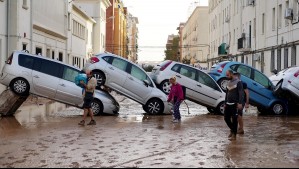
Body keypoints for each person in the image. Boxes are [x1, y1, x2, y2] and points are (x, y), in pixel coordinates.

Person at [224, 70, 244, 140]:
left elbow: (241, 93)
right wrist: (225, 102)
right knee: (226, 118)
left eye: (228, 75)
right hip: (228, 104)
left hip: (235, 104)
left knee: (235, 119)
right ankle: (232, 130)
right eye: (226, 75)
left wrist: (240, 103)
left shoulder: (239, 82)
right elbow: (227, 93)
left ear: (231, 74)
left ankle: (234, 135)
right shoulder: (228, 82)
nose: (227, 76)